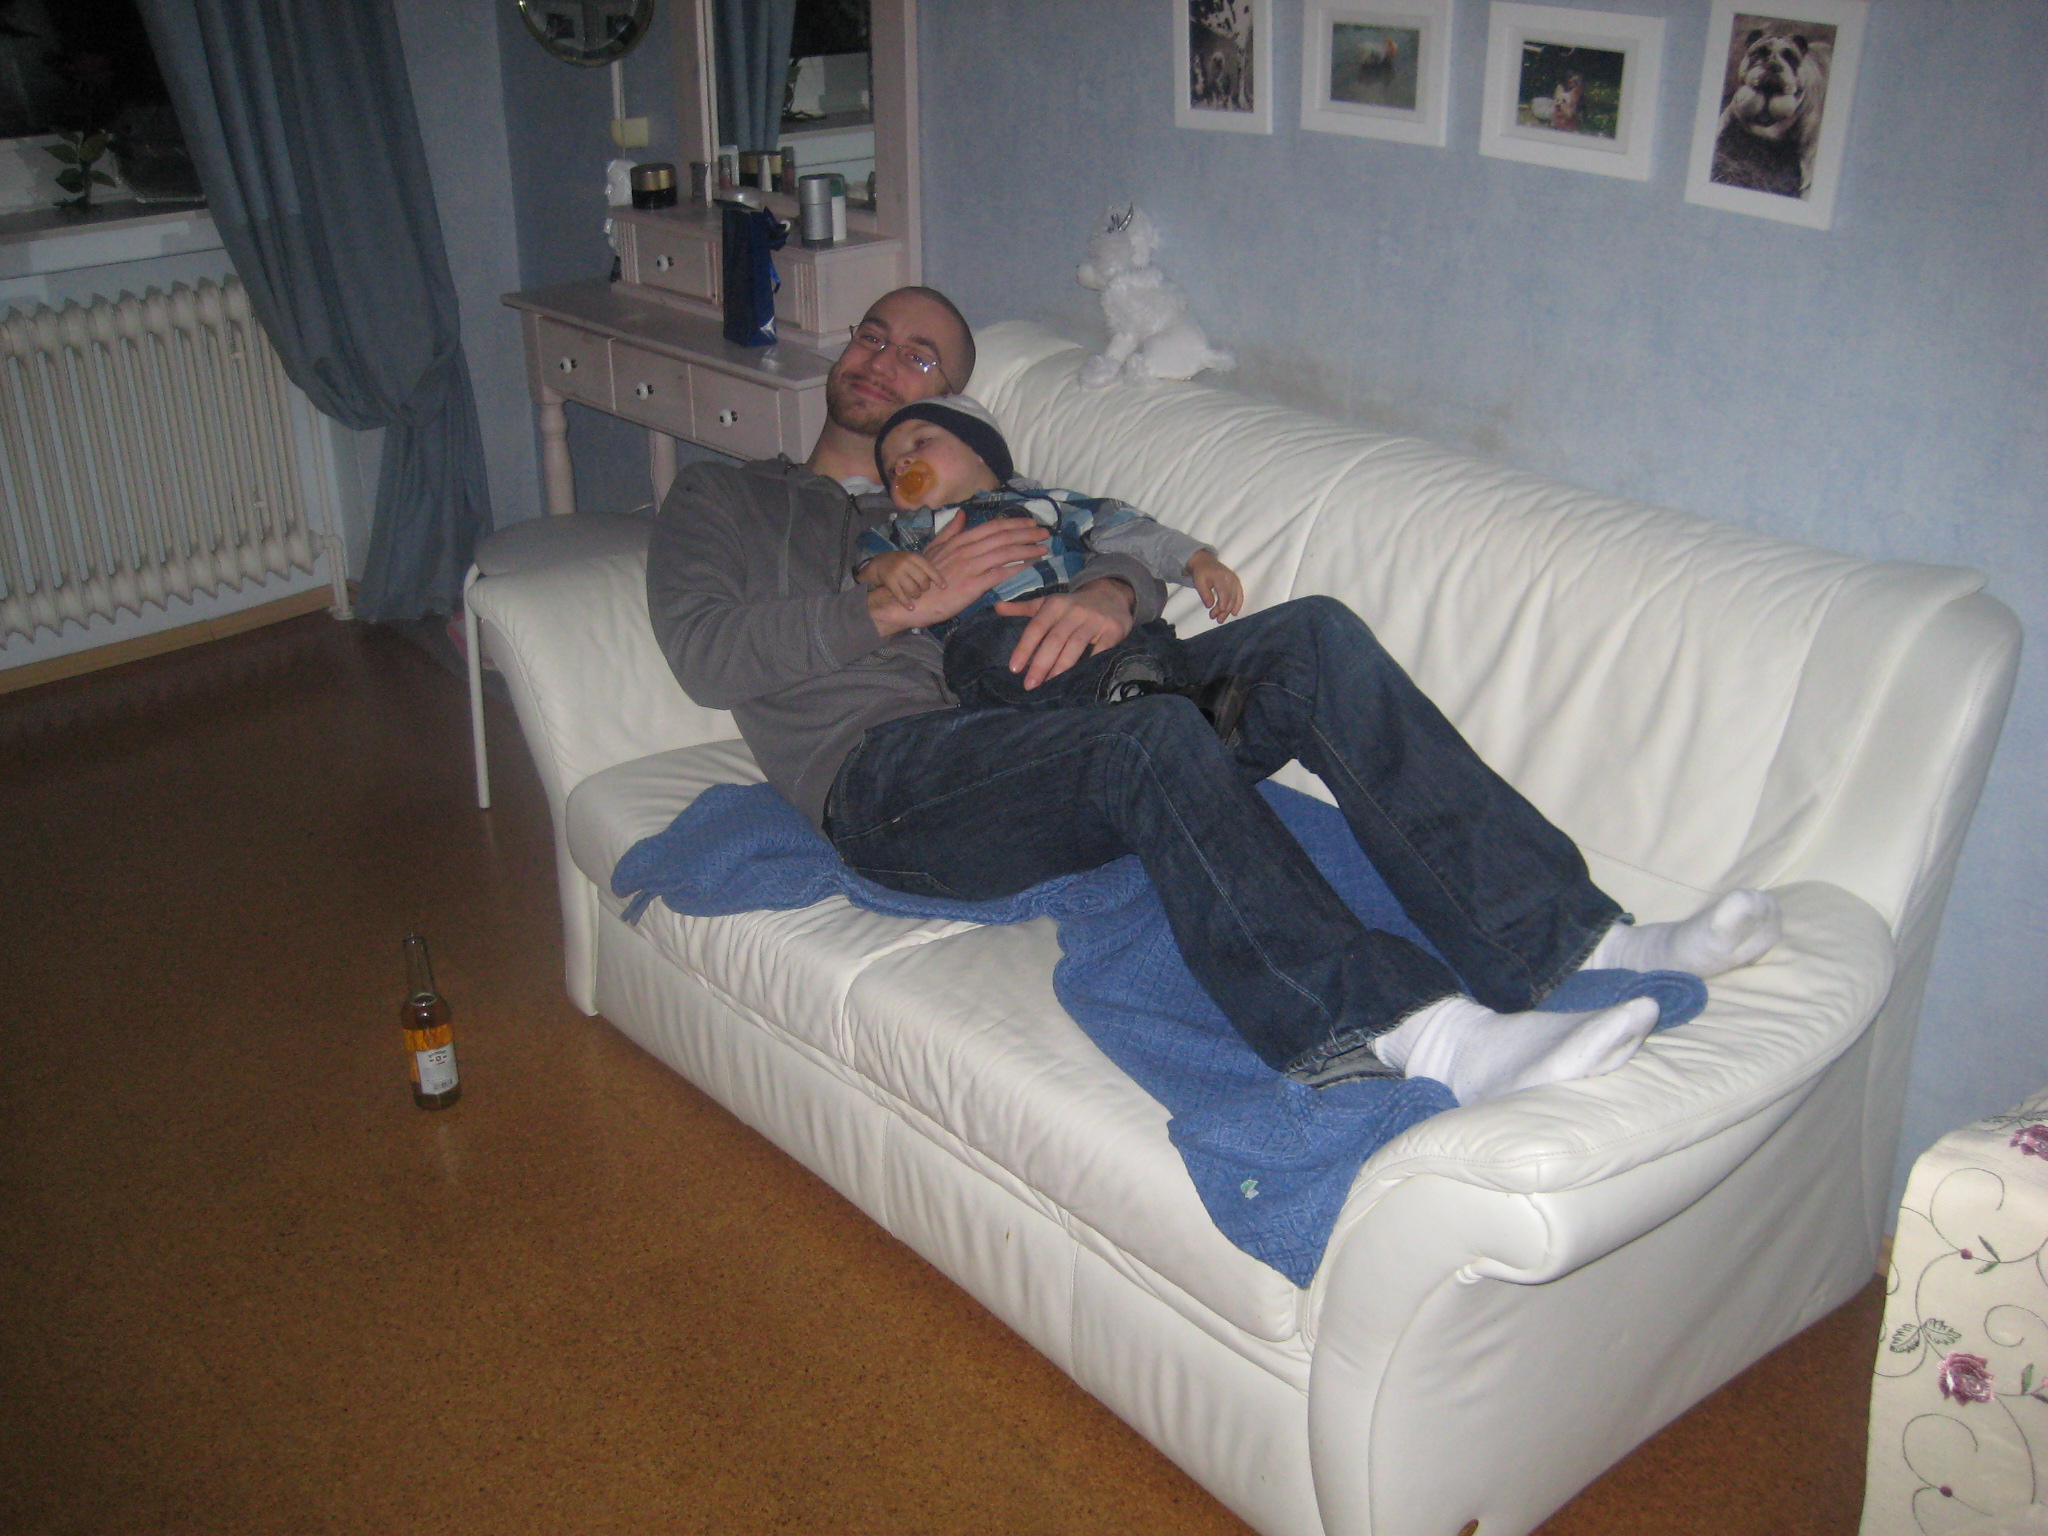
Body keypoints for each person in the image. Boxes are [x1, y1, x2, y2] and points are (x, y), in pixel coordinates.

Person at [645, 287, 1781, 1104]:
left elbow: (1100, 538)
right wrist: (897, 607)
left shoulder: (989, 496)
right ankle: (1418, 1035)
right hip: (893, 780)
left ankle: (1570, 946)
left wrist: (1114, 589)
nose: (886, 361)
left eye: (922, 359)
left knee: (1310, 640)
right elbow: (703, 653)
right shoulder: (730, 501)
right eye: (874, 336)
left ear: (956, 406)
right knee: (1144, 737)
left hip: (1052, 715)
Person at [855, 395, 1251, 731]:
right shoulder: (907, 533)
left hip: (1076, 604)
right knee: (981, 655)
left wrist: (1194, 558)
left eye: (920, 442)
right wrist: (884, 567)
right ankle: (1143, 709)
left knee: (1149, 634)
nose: (902, 464)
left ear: (979, 451)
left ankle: (1161, 699)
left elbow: (1124, 528)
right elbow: (865, 566)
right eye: (891, 470)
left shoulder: (1047, 503)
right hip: (990, 628)